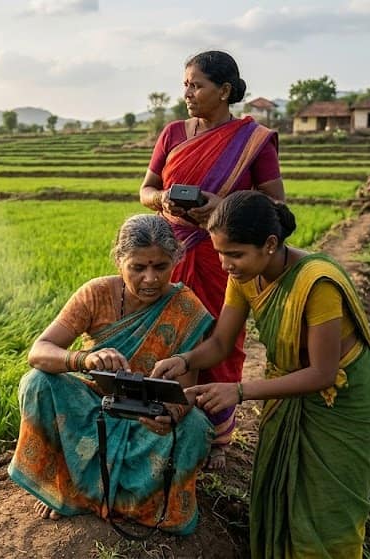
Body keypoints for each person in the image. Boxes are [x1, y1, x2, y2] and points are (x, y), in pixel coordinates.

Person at [161, 191, 370, 556]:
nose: (225, 264)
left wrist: (240, 390)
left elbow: (323, 373)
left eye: (234, 254)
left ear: (269, 244)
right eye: (220, 253)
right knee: (281, 496)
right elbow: (220, 343)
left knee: (329, 511)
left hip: (342, 402)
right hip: (289, 391)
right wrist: (185, 361)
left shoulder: (317, 283)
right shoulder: (245, 275)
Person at [8, 214, 214, 535]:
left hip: (147, 418)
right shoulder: (96, 294)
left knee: (197, 427)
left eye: (160, 267)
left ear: (176, 259)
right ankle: (66, 487)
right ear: (120, 261)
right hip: (95, 409)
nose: (150, 278)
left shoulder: (187, 308)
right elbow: (39, 352)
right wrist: (84, 359)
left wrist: (170, 415)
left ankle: (135, 503)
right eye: (138, 267)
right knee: (36, 382)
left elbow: (186, 390)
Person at [138, 50, 286, 469]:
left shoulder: (252, 141)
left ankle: (217, 437)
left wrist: (225, 205)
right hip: (169, 252)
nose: (187, 93)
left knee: (218, 342)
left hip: (220, 257)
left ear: (224, 91)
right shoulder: (171, 134)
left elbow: (276, 205)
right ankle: (157, 426)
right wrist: (163, 199)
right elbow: (145, 190)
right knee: (163, 336)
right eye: (185, 84)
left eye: (197, 85)